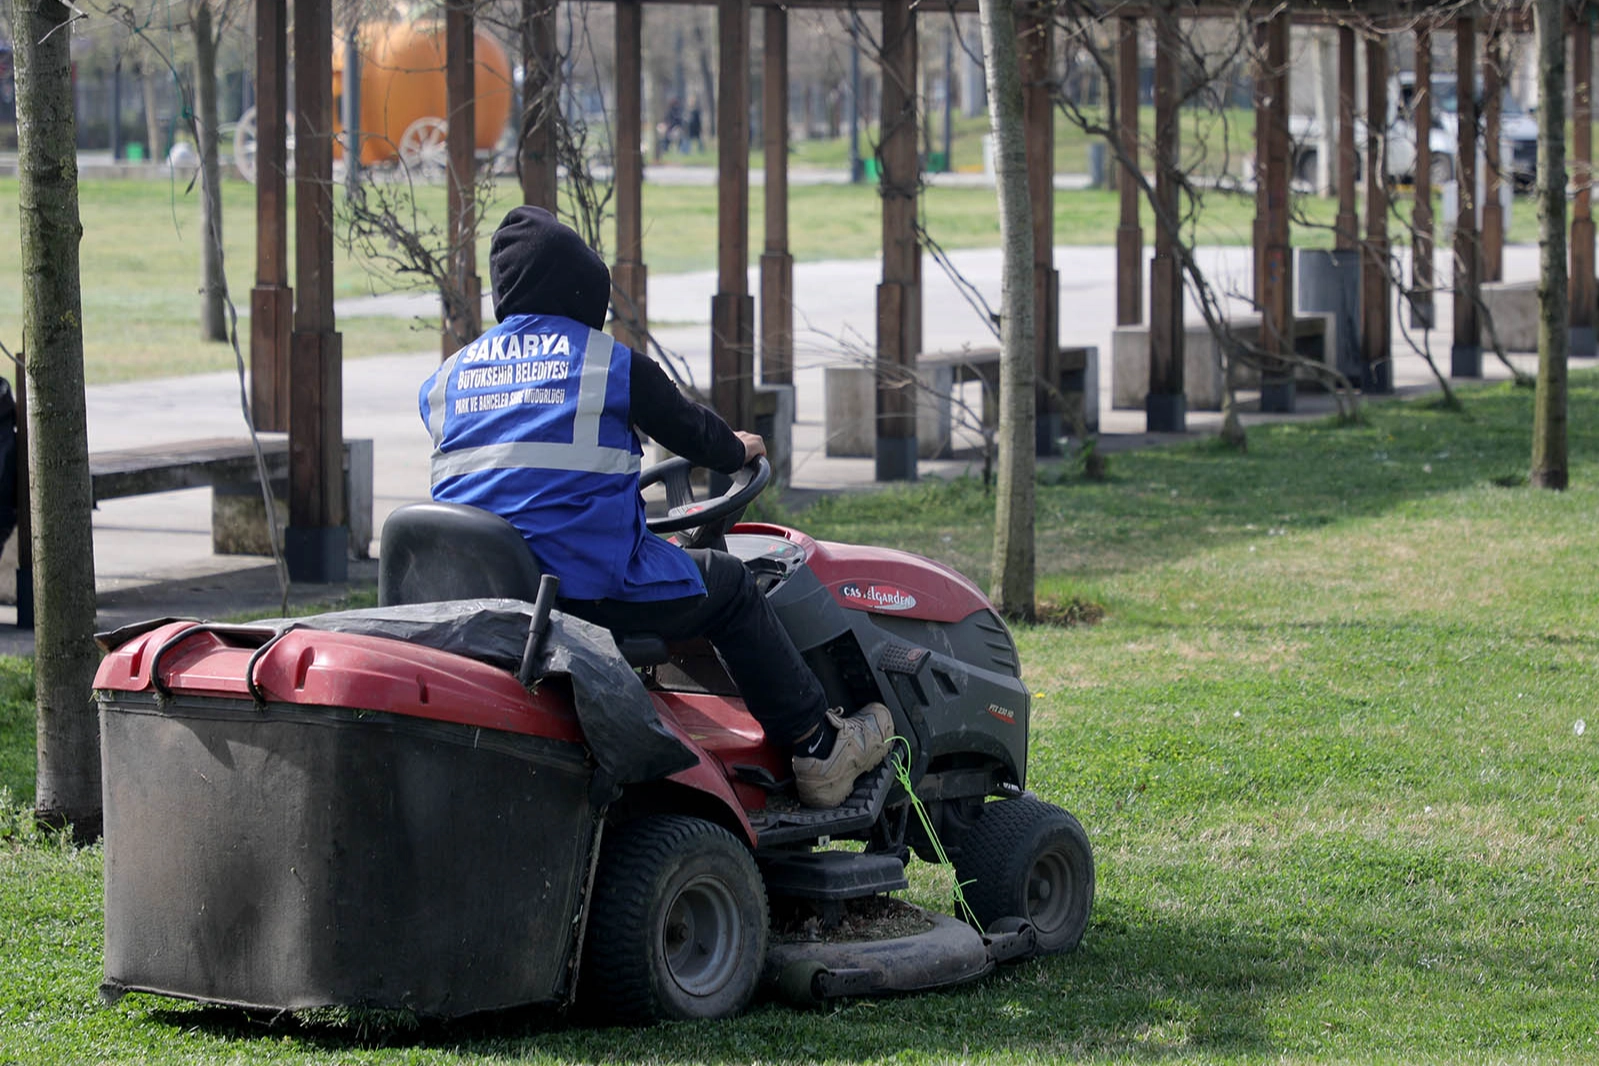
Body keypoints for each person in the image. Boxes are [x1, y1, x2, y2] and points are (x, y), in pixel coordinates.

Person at [419, 206, 892, 809]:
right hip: (583, 595)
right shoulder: (608, 364)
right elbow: (695, 434)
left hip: (481, 597)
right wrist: (734, 446)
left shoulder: (447, 378)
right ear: (585, 290)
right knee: (729, 585)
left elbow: (516, 469)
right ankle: (818, 745)